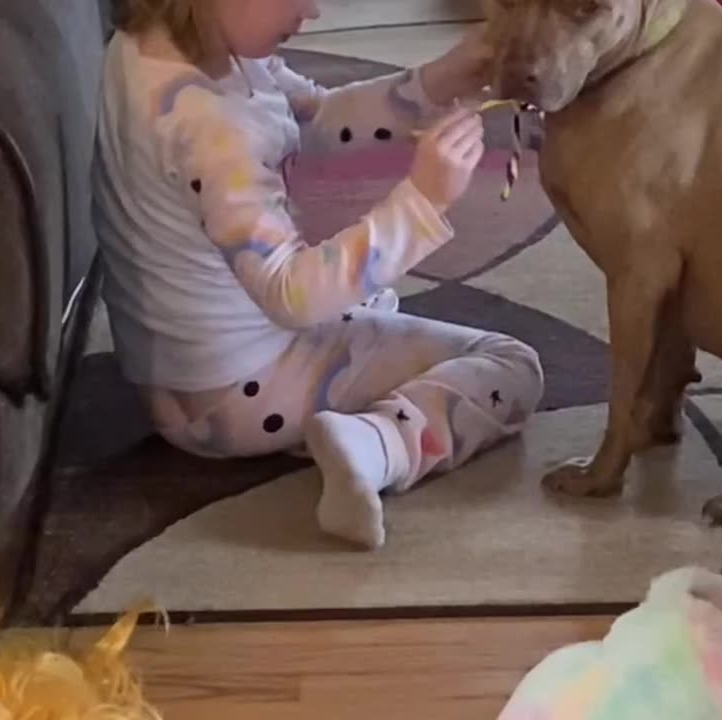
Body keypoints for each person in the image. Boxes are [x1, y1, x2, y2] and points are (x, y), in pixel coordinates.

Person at [94, 0, 544, 550]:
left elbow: (312, 118)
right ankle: (375, 447)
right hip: (237, 396)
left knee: (368, 288)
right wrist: (422, 203)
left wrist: (440, 79)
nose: (314, 10)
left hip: (177, 377)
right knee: (511, 368)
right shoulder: (212, 130)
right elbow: (293, 297)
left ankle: (347, 411)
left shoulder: (160, 48)